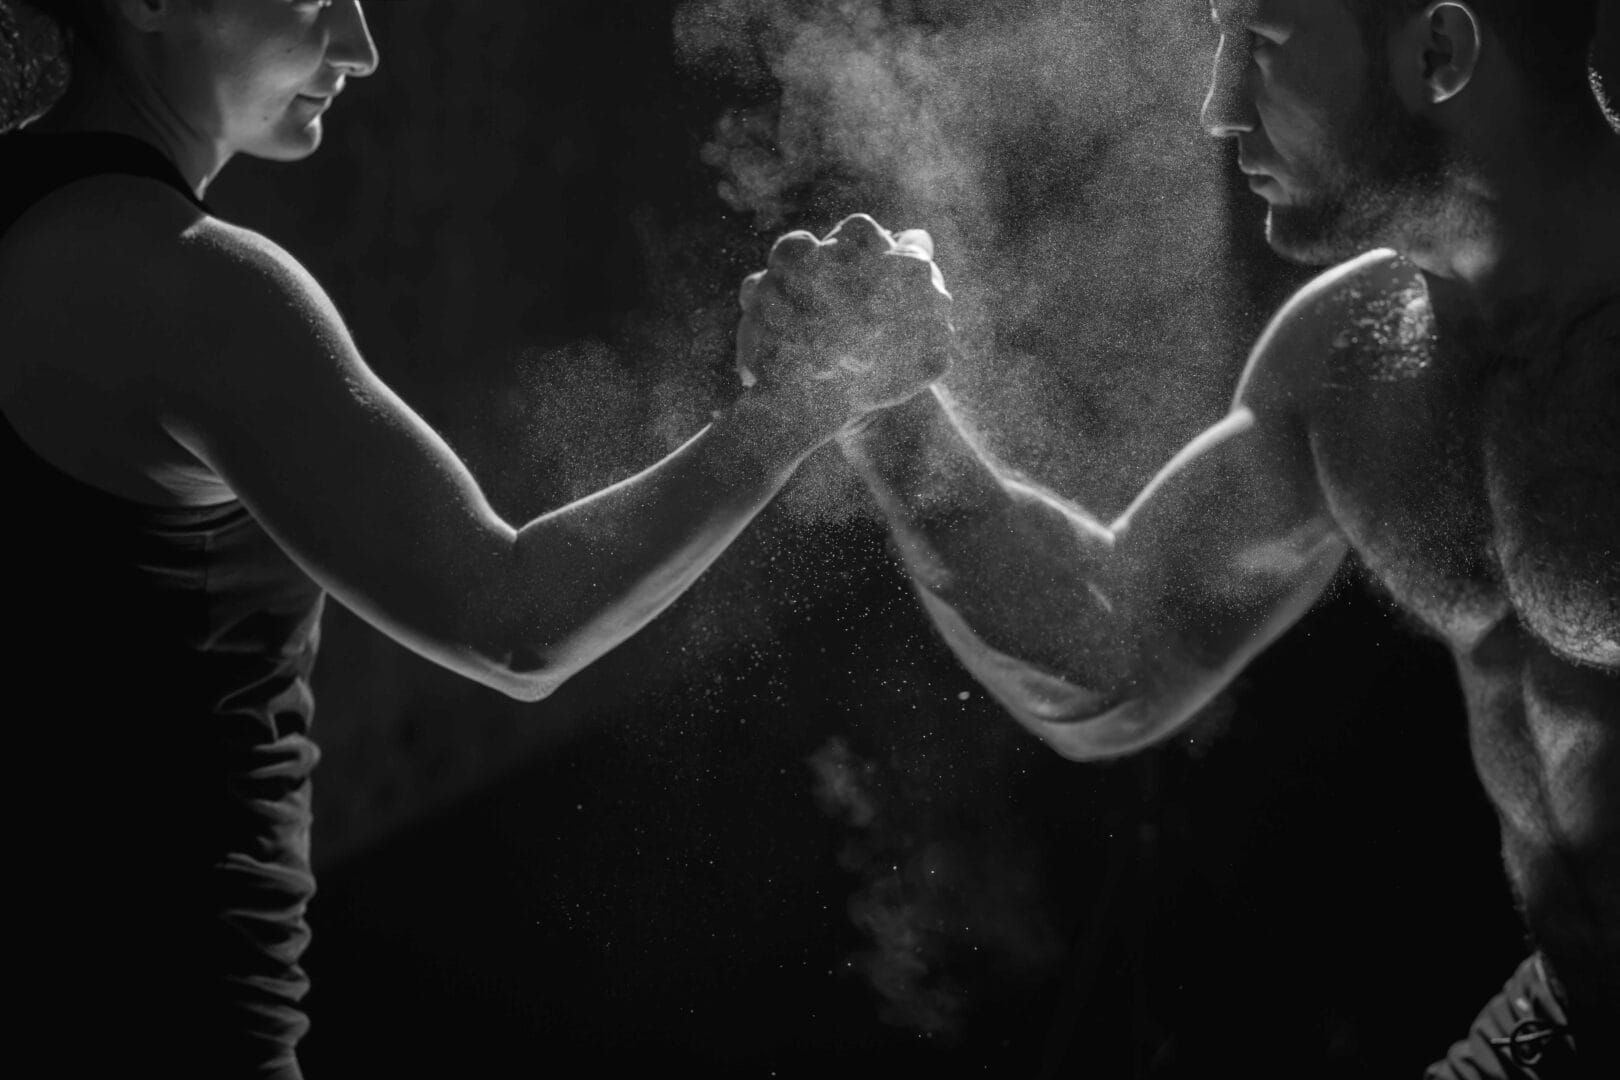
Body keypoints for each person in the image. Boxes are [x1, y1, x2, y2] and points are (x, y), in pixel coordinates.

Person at [0, 0, 953, 1075]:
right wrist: (806, 401)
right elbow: (513, 621)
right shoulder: (182, 281)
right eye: (318, 0)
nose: (359, 46)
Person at [741, 0, 1617, 1074]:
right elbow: (1117, 653)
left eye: (1265, 43)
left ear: (1439, 52)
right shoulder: (1353, 354)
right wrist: (889, 410)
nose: (1216, 108)